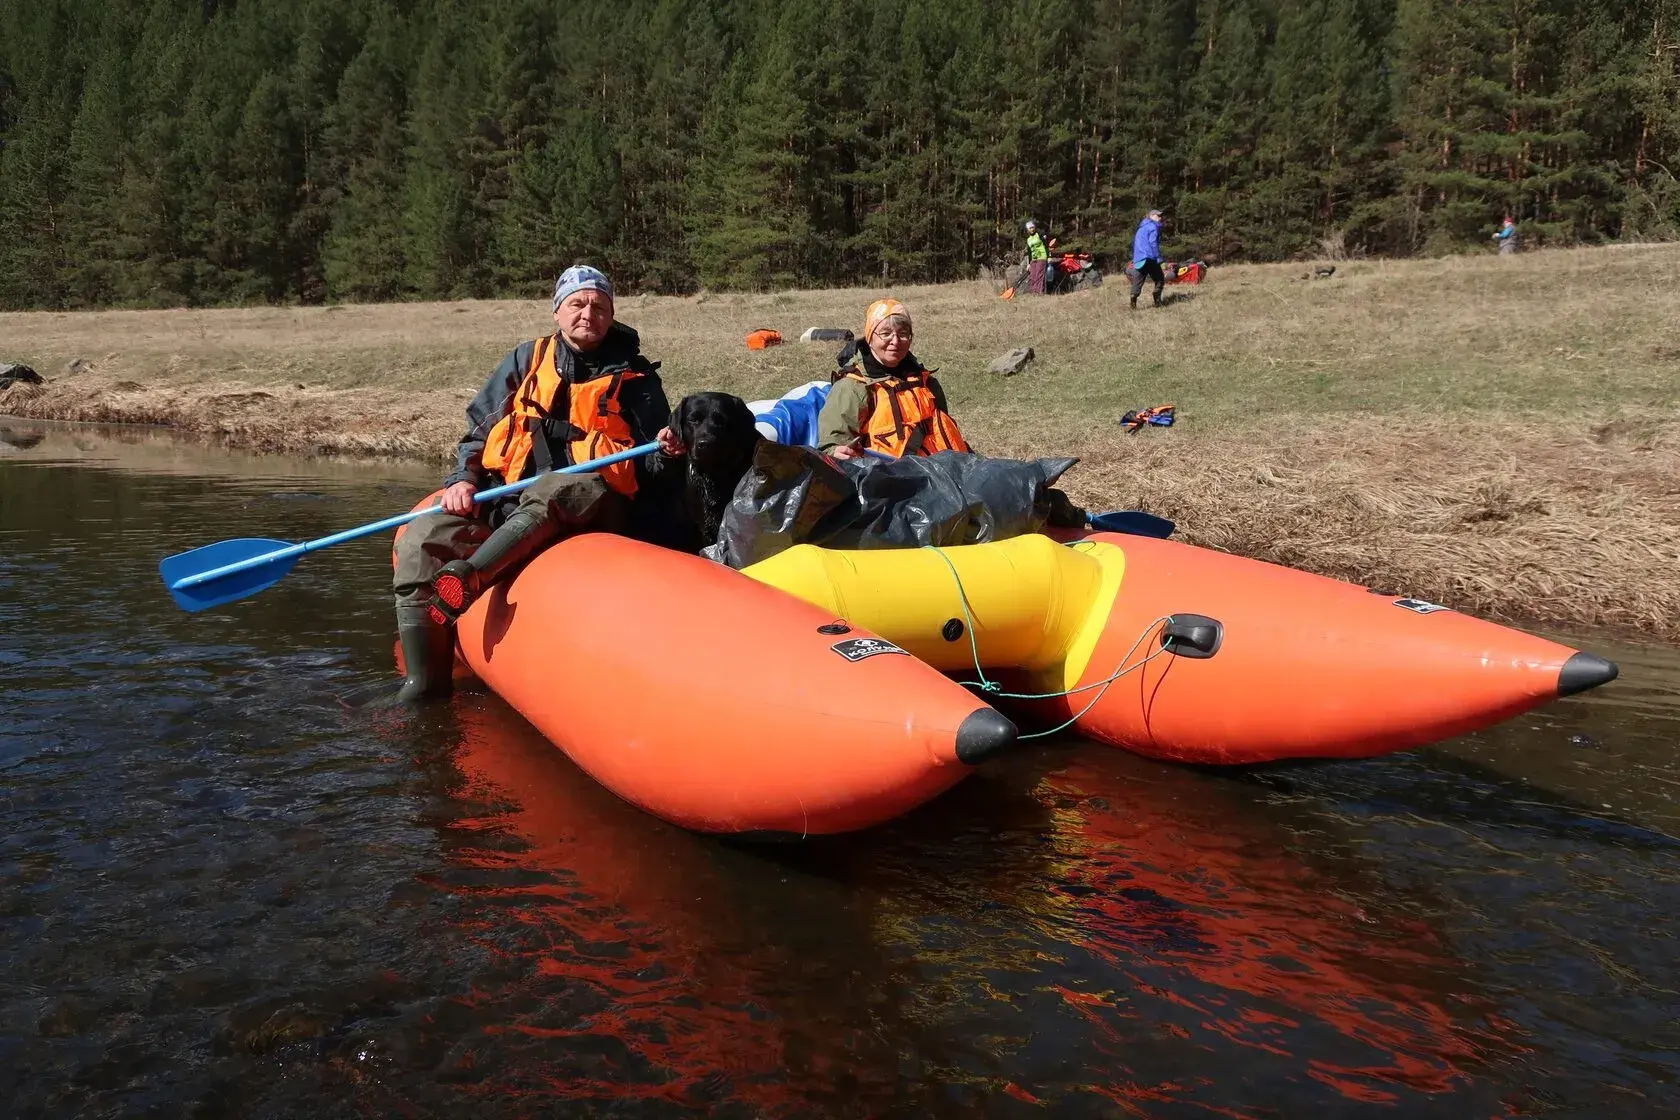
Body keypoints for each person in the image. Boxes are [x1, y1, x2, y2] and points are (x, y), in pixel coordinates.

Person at [390, 264, 684, 701]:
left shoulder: (637, 378)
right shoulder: (525, 360)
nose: (588, 314)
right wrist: (462, 480)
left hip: (596, 504)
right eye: (577, 304)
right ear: (558, 312)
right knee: (425, 537)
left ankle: (469, 579)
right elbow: (480, 430)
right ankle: (424, 683)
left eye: (599, 306)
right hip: (509, 496)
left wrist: (668, 451)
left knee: (560, 488)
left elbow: (653, 471)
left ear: (611, 315)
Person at [816, 298, 970, 460]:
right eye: (885, 334)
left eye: (903, 334)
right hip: (888, 480)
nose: (895, 341)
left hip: (949, 472)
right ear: (870, 338)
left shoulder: (927, 382)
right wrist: (835, 452)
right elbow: (832, 445)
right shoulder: (853, 387)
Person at [1129, 208, 1166, 309]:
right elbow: (1153, 243)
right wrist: (1159, 259)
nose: (1160, 218)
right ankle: (1157, 301)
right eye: (1158, 215)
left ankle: (1133, 302)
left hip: (1139, 259)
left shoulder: (1141, 227)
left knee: (1138, 280)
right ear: (1151, 216)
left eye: (1161, 216)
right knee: (1160, 279)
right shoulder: (1153, 226)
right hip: (1149, 257)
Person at [1025, 220, 1049, 294]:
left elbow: (1046, 246)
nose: (1032, 229)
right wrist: (1029, 264)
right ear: (1027, 229)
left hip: (1042, 256)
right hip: (1033, 259)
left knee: (1039, 275)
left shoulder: (1040, 234)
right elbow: (1029, 252)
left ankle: (1039, 292)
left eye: (1032, 227)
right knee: (1032, 276)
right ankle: (1032, 292)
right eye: (1030, 228)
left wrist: (1049, 256)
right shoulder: (1028, 239)